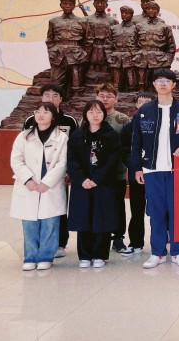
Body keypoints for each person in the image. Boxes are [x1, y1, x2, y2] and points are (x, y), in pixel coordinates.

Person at [128, 68, 179, 269]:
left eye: (167, 80)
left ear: (174, 84)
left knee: (177, 211)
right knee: (156, 212)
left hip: (177, 170)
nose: (163, 84)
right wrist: (137, 168)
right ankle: (157, 253)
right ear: (154, 84)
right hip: (152, 169)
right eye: (159, 80)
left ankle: (177, 251)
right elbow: (135, 142)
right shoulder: (144, 111)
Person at [10, 103, 69, 271]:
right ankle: (30, 257)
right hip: (29, 186)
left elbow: (62, 162)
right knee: (29, 224)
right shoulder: (24, 136)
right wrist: (27, 180)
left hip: (50, 187)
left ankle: (45, 256)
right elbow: (16, 160)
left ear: (53, 116)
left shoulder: (61, 137)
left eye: (45, 112)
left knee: (50, 223)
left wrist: (47, 182)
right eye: (38, 111)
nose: (40, 115)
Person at [23, 84, 78, 258]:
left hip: (59, 174)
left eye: (55, 96)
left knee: (58, 208)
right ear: (41, 98)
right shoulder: (30, 121)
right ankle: (35, 246)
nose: (51, 99)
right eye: (47, 95)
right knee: (34, 209)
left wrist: (69, 171)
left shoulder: (69, 121)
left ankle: (60, 243)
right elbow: (24, 149)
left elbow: (74, 148)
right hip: (34, 175)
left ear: (61, 99)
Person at [67, 100, 121, 269]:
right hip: (82, 184)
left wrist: (97, 179)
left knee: (102, 218)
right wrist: (82, 179)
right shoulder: (76, 136)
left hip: (103, 184)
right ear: (85, 115)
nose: (95, 115)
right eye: (91, 112)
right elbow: (71, 160)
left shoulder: (111, 136)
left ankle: (100, 254)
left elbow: (113, 160)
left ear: (104, 114)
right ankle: (84, 255)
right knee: (83, 218)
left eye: (98, 112)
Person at [94, 83, 131, 254]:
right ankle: (98, 237)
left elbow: (127, 146)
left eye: (109, 96)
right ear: (96, 97)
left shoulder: (123, 119)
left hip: (117, 172)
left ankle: (118, 238)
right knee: (97, 205)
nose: (105, 99)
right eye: (101, 95)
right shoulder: (89, 117)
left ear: (116, 99)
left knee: (117, 205)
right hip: (94, 173)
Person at [119, 92, 154, 257]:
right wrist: (135, 165)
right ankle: (136, 243)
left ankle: (161, 243)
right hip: (137, 174)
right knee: (137, 210)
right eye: (141, 102)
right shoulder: (129, 128)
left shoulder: (161, 124)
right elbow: (124, 151)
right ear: (136, 105)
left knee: (160, 210)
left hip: (156, 173)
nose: (144, 105)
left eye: (148, 102)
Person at [46, 0, 91, 95]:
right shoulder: (53, 21)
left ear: (74, 6)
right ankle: (55, 102)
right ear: (61, 5)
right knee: (56, 83)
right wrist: (52, 52)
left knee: (76, 83)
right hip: (58, 55)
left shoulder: (82, 21)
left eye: (70, 4)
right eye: (65, 4)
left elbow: (88, 40)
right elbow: (49, 39)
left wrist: (85, 55)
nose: (67, 6)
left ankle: (76, 102)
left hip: (77, 55)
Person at [134, 0, 176, 89]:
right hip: (142, 57)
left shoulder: (164, 27)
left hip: (159, 59)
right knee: (141, 83)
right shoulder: (139, 26)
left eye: (153, 8)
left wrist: (168, 60)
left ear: (158, 11)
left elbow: (171, 46)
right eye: (148, 8)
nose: (151, 10)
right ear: (145, 10)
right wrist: (136, 55)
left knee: (157, 82)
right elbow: (133, 43)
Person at [105, 5, 139, 91]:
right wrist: (109, 57)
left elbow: (139, 44)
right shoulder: (114, 28)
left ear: (131, 15)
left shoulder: (136, 28)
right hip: (116, 57)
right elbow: (108, 44)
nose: (124, 15)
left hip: (130, 56)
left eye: (127, 13)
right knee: (115, 82)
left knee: (131, 81)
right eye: (122, 13)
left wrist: (135, 56)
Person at [86, 0, 118, 74]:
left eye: (102, 3)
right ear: (94, 4)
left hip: (107, 50)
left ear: (106, 5)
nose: (100, 5)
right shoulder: (86, 20)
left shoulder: (113, 21)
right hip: (91, 49)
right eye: (97, 2)